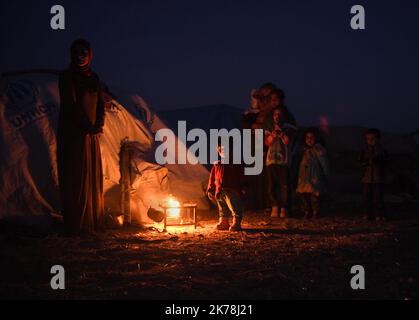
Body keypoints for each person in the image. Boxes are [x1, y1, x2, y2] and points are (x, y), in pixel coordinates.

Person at [57, 39, 106, 235]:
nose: (80, 56)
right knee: (76, 177)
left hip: (92, 133)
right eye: (76, 52)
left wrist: (98, 124)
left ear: (90, 54)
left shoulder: (94, 78)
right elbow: (70, 104)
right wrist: (86, 126)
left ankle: (93, 221)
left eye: (83, 52)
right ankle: (78, 224)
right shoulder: (67, 77)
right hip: (74, 134)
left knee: (92, 175)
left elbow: (100, 103)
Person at [265, 108, 296, 219]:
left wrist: (281, 133)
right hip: (271, 160)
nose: (277, 117)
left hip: (284, 161)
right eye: (275, 115)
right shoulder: (269, 128)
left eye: (279, 114)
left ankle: (284, 207)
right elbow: (267, 142)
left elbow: (288, 142)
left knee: (284, 186)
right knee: (271, 185)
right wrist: (273, 135)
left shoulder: (289, 128)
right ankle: (274, 206)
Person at [207, 143, 245, 231]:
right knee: (222, 206)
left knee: (234, 206)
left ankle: (236, 222)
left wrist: (244, 186)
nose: (221, 151)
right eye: (219, 150)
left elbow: (241, 175)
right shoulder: (217, 165)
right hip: (219, 191)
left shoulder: (235, 163)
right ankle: (224, 221)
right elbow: (212, 178)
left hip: (232, 190)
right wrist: (210, 189)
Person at [296, 128, 329, 219]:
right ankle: (307, 211)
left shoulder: (319, 150)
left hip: (315, 177)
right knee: (304, 196)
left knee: (314, 197)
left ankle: (316, 212)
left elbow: (324, 164)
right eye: (307, 137)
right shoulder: (304, 151)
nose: (309, 140)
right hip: (304, 178)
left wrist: (325, 175)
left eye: (312, 137)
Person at [359, 128, 388, 221]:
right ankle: (367, 214)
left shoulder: (382, 150)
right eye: (368, 139)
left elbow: (385, 162)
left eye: (372, 139)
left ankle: (379, 215)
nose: (370, 141)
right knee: (366, 197)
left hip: (378, 178)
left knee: (378, 198)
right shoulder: (364, 150)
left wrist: (377, 160)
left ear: (378, 139)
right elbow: (360, 162)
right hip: (367, 178)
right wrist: (365, 162)